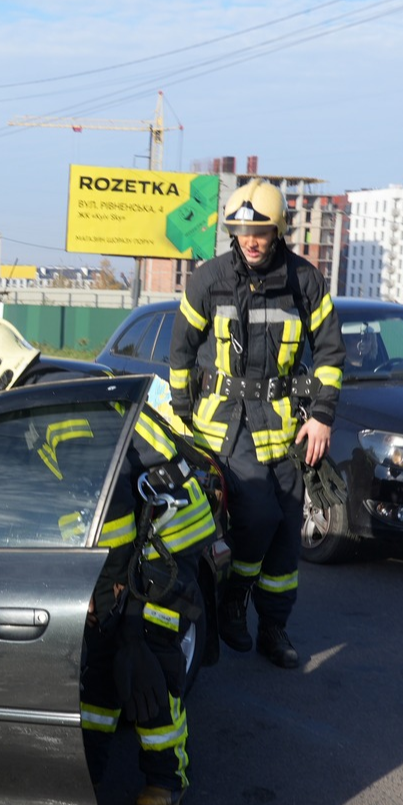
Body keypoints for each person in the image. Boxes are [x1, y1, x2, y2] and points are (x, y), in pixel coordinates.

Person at [0, 317, 218, 805]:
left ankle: (168, 777)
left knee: (146, 663)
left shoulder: (61, 409)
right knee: (101, 666)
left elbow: (103, 509)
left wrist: (98, 587)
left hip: (160, 548)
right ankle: (91, 769)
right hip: (135, 546)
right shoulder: (44, 392)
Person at [167, 180, 344, 670]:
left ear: (278, 231)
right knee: (257, 518)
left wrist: (323, 417)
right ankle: (232, 600)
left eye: (260, 231)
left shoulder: (304, 281)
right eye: (242, 230)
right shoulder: (207, 281)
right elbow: (180, 354)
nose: (250, 239)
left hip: (285, 428)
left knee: (287, 533)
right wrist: (183, 417)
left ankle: (274, 627)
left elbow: (330, 353)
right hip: (223, 427)